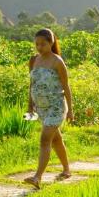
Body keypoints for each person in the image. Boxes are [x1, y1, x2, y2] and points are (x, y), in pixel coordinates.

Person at [25, 28, 74, 188]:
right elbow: (32, 84)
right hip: (41, 108)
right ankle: (67, 170)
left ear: (51, 43)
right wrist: (29, 106)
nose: (39, 47)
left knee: (45, 139)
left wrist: (71, 110)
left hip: (56, 107)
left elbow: (66, 87)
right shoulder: (34, 60)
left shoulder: (57, 61)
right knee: (56, 140)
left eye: (43, 44)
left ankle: (37, 177)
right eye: (37, 44)